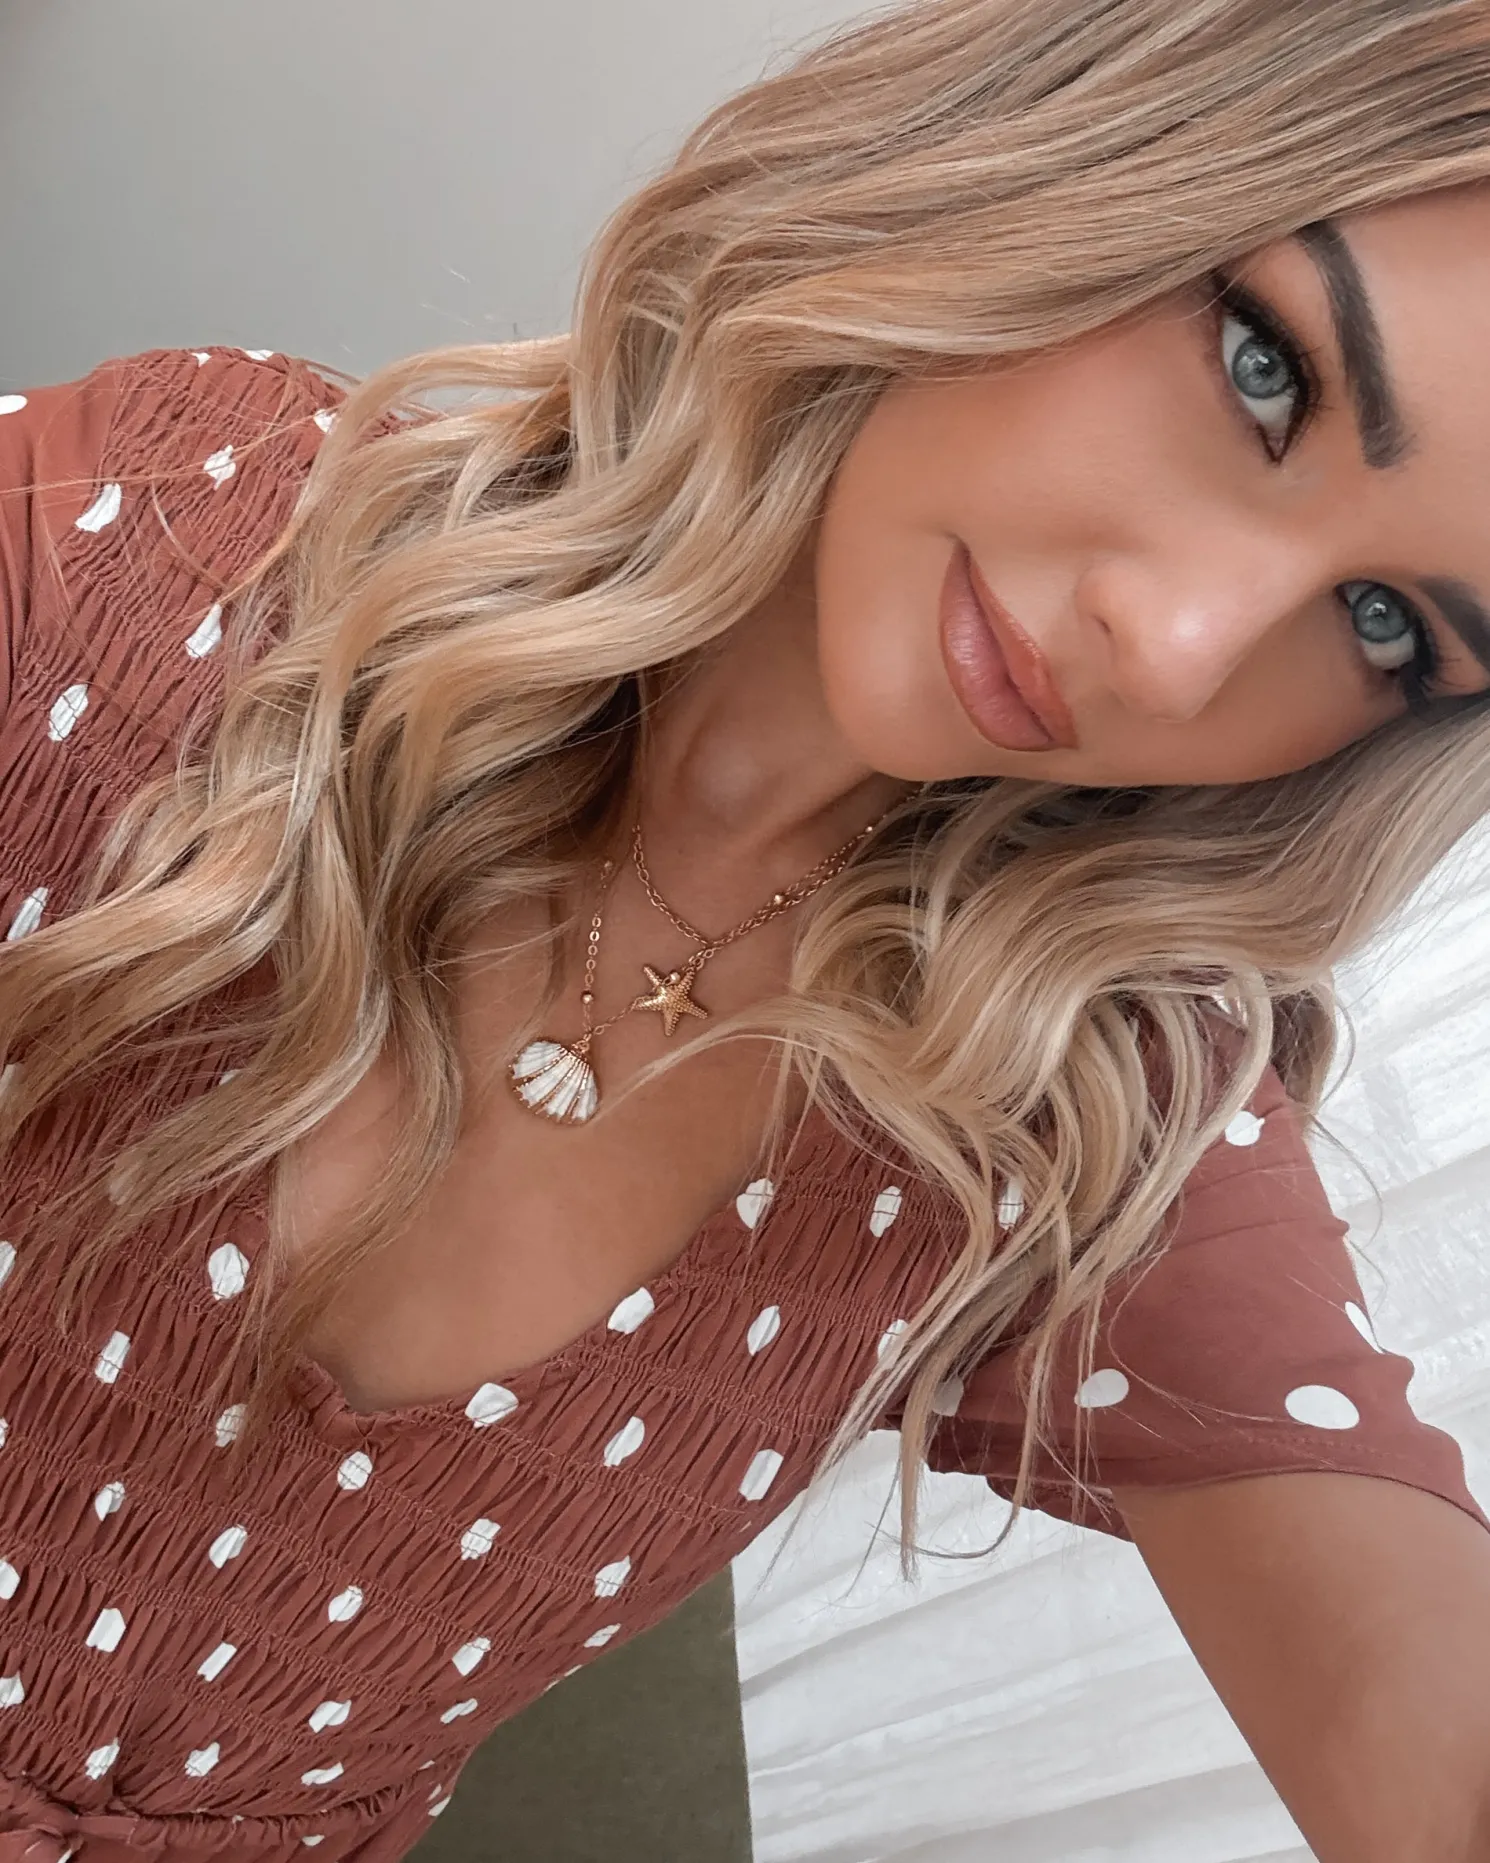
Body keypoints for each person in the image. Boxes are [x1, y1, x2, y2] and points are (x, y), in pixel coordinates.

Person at [4, 0, 1490, 1857]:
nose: (1179, 647)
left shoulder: (1065, 1102)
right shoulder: (148, 558)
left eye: (1384, 629)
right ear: (1077, 156)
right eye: (1267, 370)